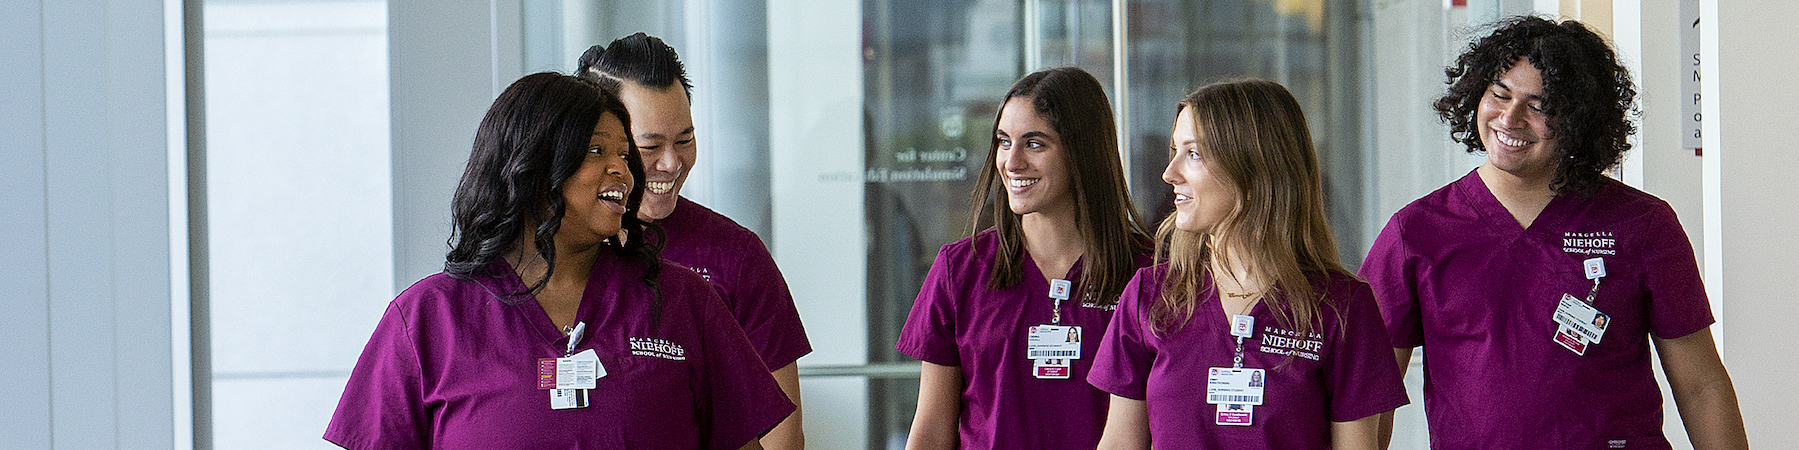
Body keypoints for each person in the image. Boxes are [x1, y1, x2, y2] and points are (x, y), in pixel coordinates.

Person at [323, 73, 792, 449]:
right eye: (596, 151)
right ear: (531, 165)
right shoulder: (427, 320)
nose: (623, 171)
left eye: (624, 154)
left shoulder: (684, 301)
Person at [1361, 16, 1749, 449]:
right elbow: (1367, 395)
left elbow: (1701, 385)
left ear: (1579, 119)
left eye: (1539, 105)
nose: (1510, 118)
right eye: (1499, 95)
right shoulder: (1417, 232)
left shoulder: (1642, 225)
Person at [1089, 79, 1407, 450]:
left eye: (1193, 154)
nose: (1169, 173)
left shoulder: (1343, 306)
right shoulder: (1149, 294)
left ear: (1254, 166)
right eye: (1175, 151)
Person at [896, 67, 1154, 449]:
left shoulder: (1149, 274)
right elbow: (932, 427)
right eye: (1004, 141)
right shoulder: (960, 268)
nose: (1012, 162)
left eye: (1034, 143)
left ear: (1082, 151)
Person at [578, 33, 813, 449]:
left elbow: (783, 435)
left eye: (684, 140)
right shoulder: (562, 253)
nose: (671, 163)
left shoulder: (735, 257)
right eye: (649, 145)